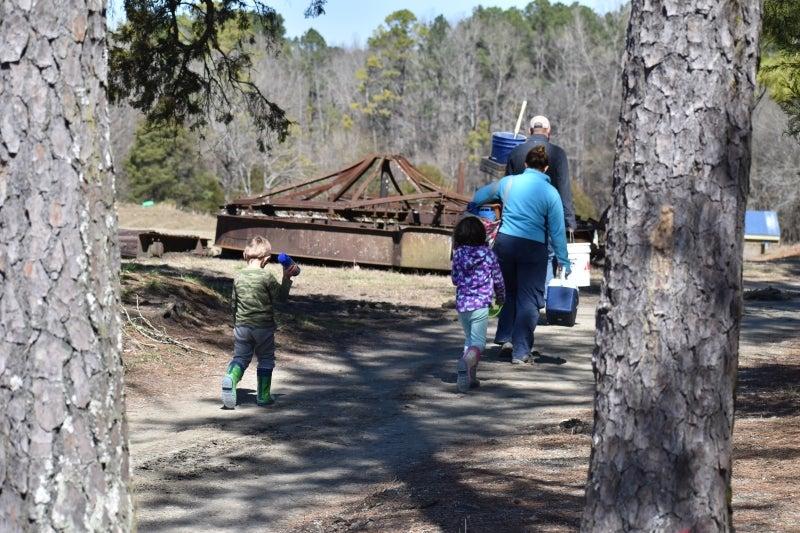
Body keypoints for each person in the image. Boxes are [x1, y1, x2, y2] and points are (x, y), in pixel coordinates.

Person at [472, 146, 571, 365]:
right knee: (529, 298)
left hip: (505, 244)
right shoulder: (551, 193)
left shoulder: (508, 182)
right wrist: (563, 260)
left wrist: (473, 209)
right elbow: (557, 230)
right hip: (533, 249)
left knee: (508, 292)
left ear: (525, 164)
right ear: (546, 168)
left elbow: (479, 196)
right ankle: (521, 351)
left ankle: (506, 338)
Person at [505, 115, 576, 305]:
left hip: (517, 221)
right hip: (547, 218)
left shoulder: (516, 153)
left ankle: (521, 299)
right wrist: (569, 220)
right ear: (549, 133)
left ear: (529, 131)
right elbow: (564, 189)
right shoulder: (558, 154)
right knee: (547, 256)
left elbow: (508, 188)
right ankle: (540, 300)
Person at [221, 236, 297, 409]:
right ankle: (263, 396)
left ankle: (231, 378)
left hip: (241, 326)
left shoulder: (238, 276)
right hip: (263, 327)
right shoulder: (266, 276)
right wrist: (286, 278)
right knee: (266, 359)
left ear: (244, 255)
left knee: (240, 358)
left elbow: (234, 303)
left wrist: (235, 323)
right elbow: (281, 298)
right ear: (267, 259)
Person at [451, 217, 506, 392]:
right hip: (481, 304)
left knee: (469, 340)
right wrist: (501, 296)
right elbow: (498, 279)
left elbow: (454, 279)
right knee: (479, 344)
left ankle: (470, 378)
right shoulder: (489, 254)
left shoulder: (458, 254)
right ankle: (466, 363)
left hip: (463, 305)